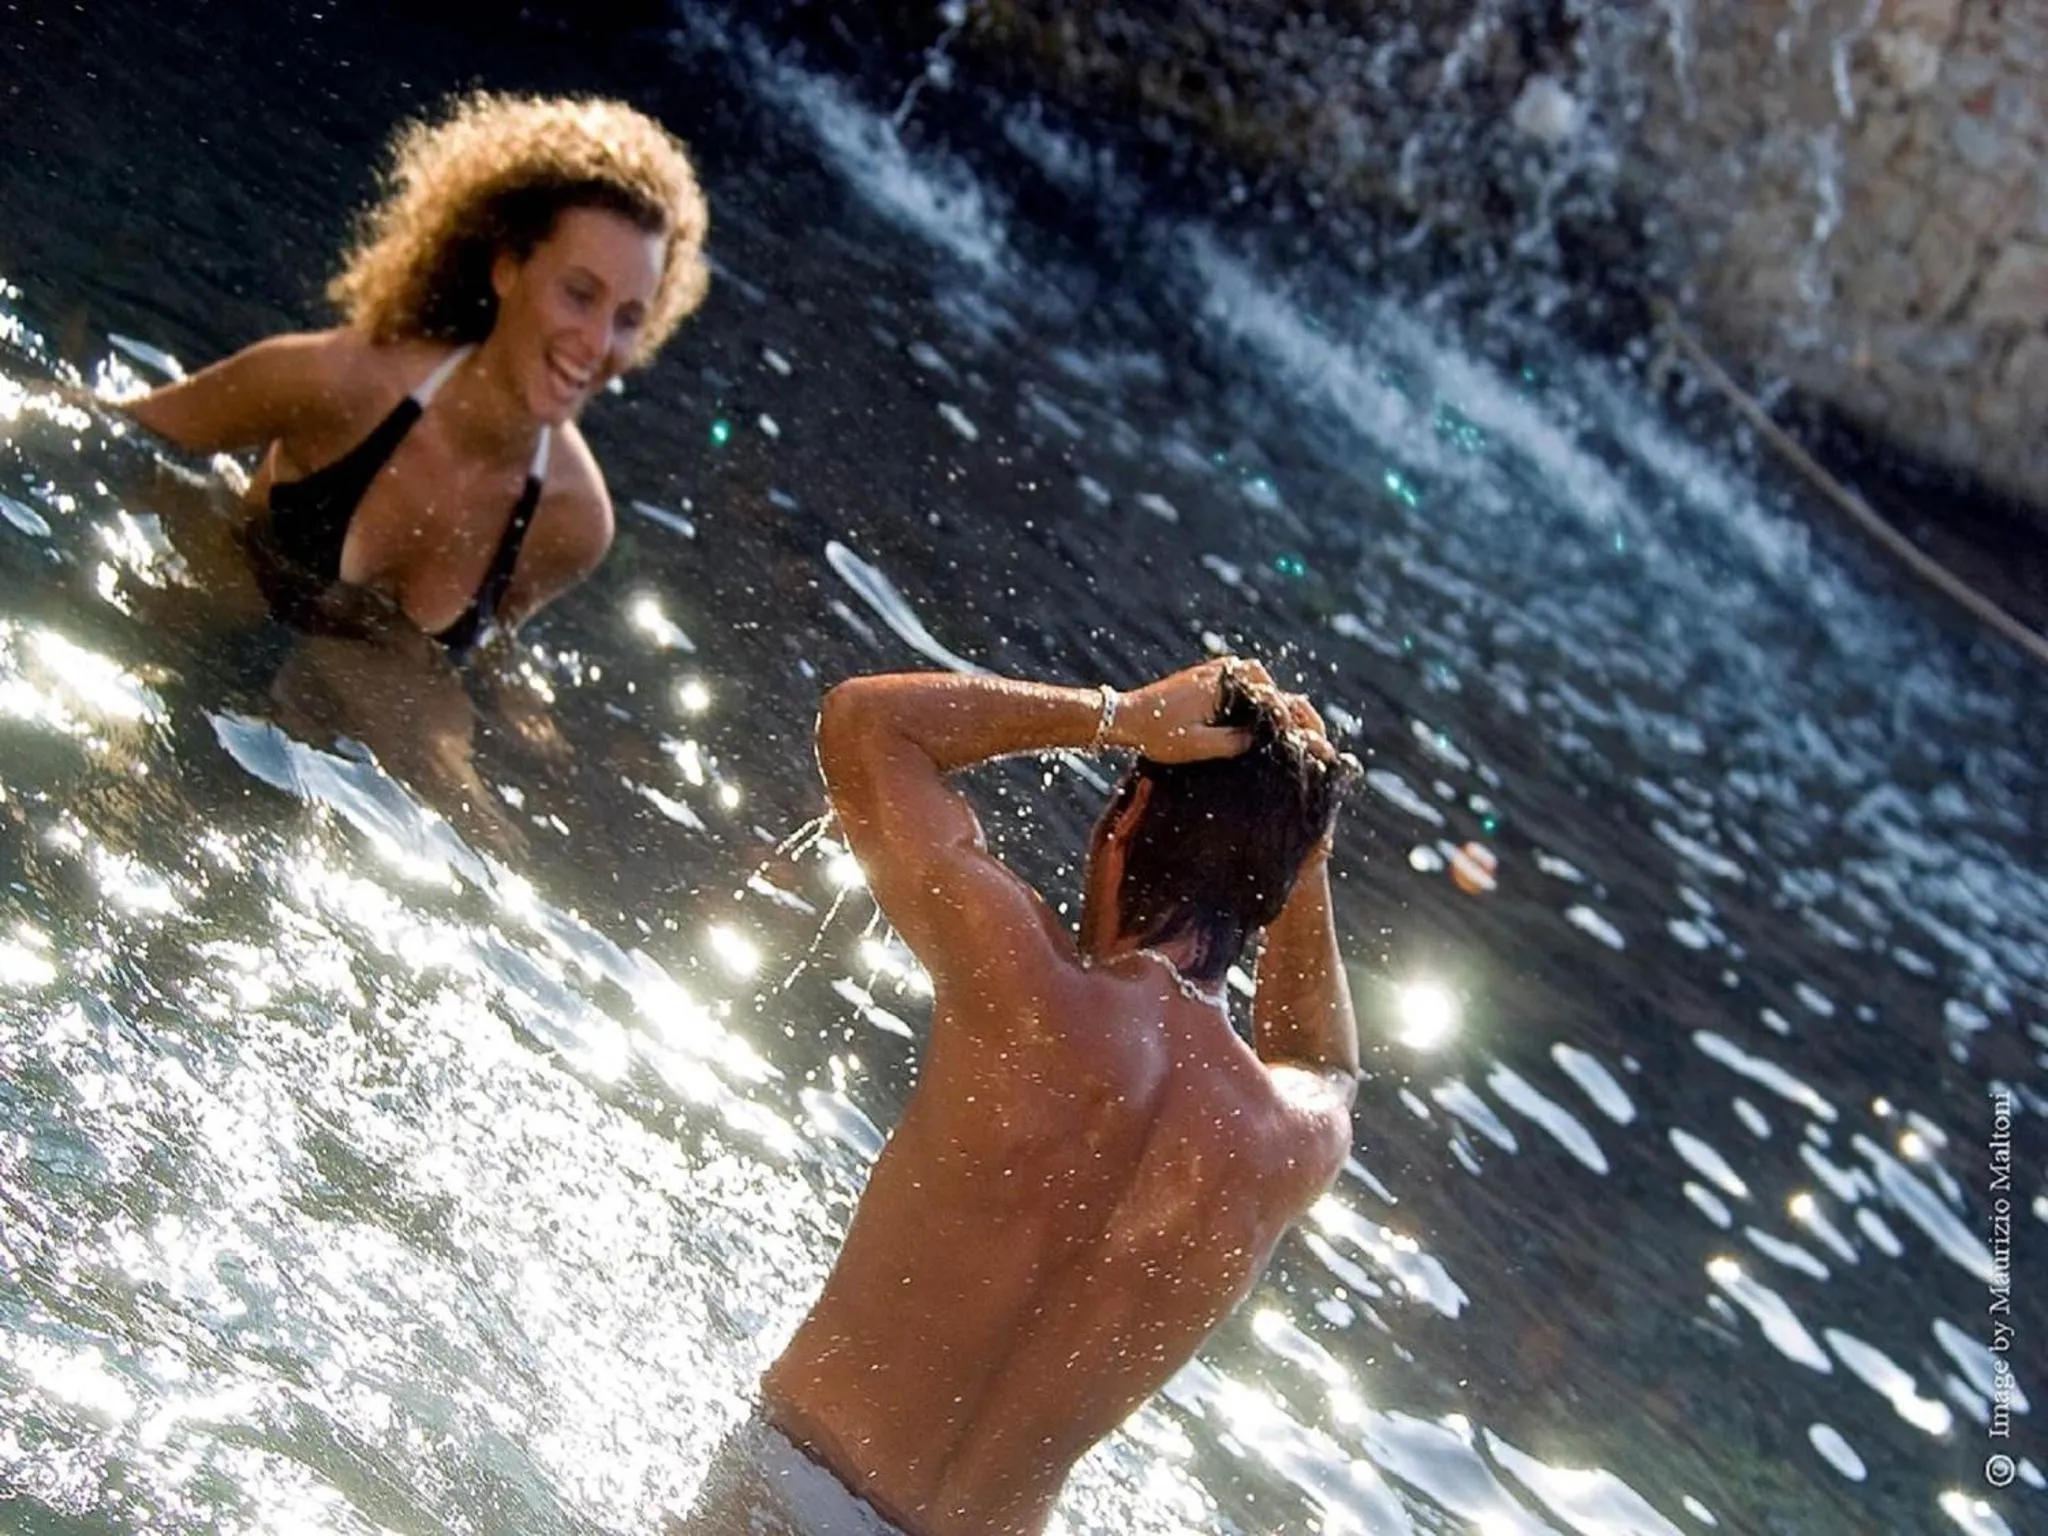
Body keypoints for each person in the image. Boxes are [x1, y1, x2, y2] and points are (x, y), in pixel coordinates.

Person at [686, 657, 1362, 1535]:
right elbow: (1324, 1057)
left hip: (790, 1495)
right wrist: (1299, 850)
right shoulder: (1285, 1141)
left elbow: (863, 724)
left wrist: (1119, 715)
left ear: (1122, 823)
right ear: (1269, 901)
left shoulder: (1028, 993)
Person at [124, 91, 710, 658]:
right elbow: (105, 435)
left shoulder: (572, 522)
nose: (599, 343)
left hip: (323, 728)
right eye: (580, 294)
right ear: (507, 267)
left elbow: (482, 654)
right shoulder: (339, 382)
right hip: (191, 633)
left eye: (630, 318)